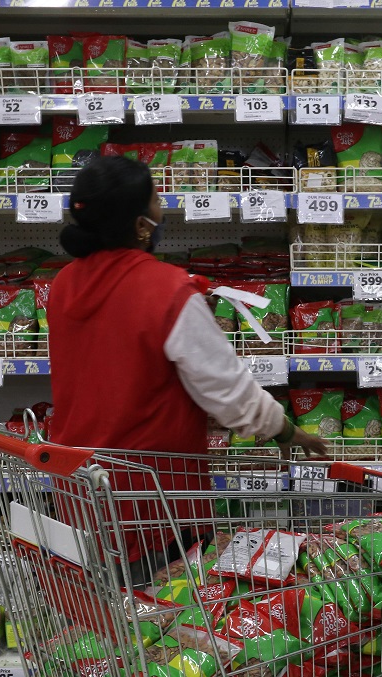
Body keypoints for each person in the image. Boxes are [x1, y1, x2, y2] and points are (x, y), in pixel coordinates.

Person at [47, 156, 327, 583]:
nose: (163, 206)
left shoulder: (64, 284)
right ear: (142, 224)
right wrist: (286, 430)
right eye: (156, 198)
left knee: (105, 631)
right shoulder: (167, 290)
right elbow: (228, 391)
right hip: (153, 500)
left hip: (80, 491)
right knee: (161, 628)